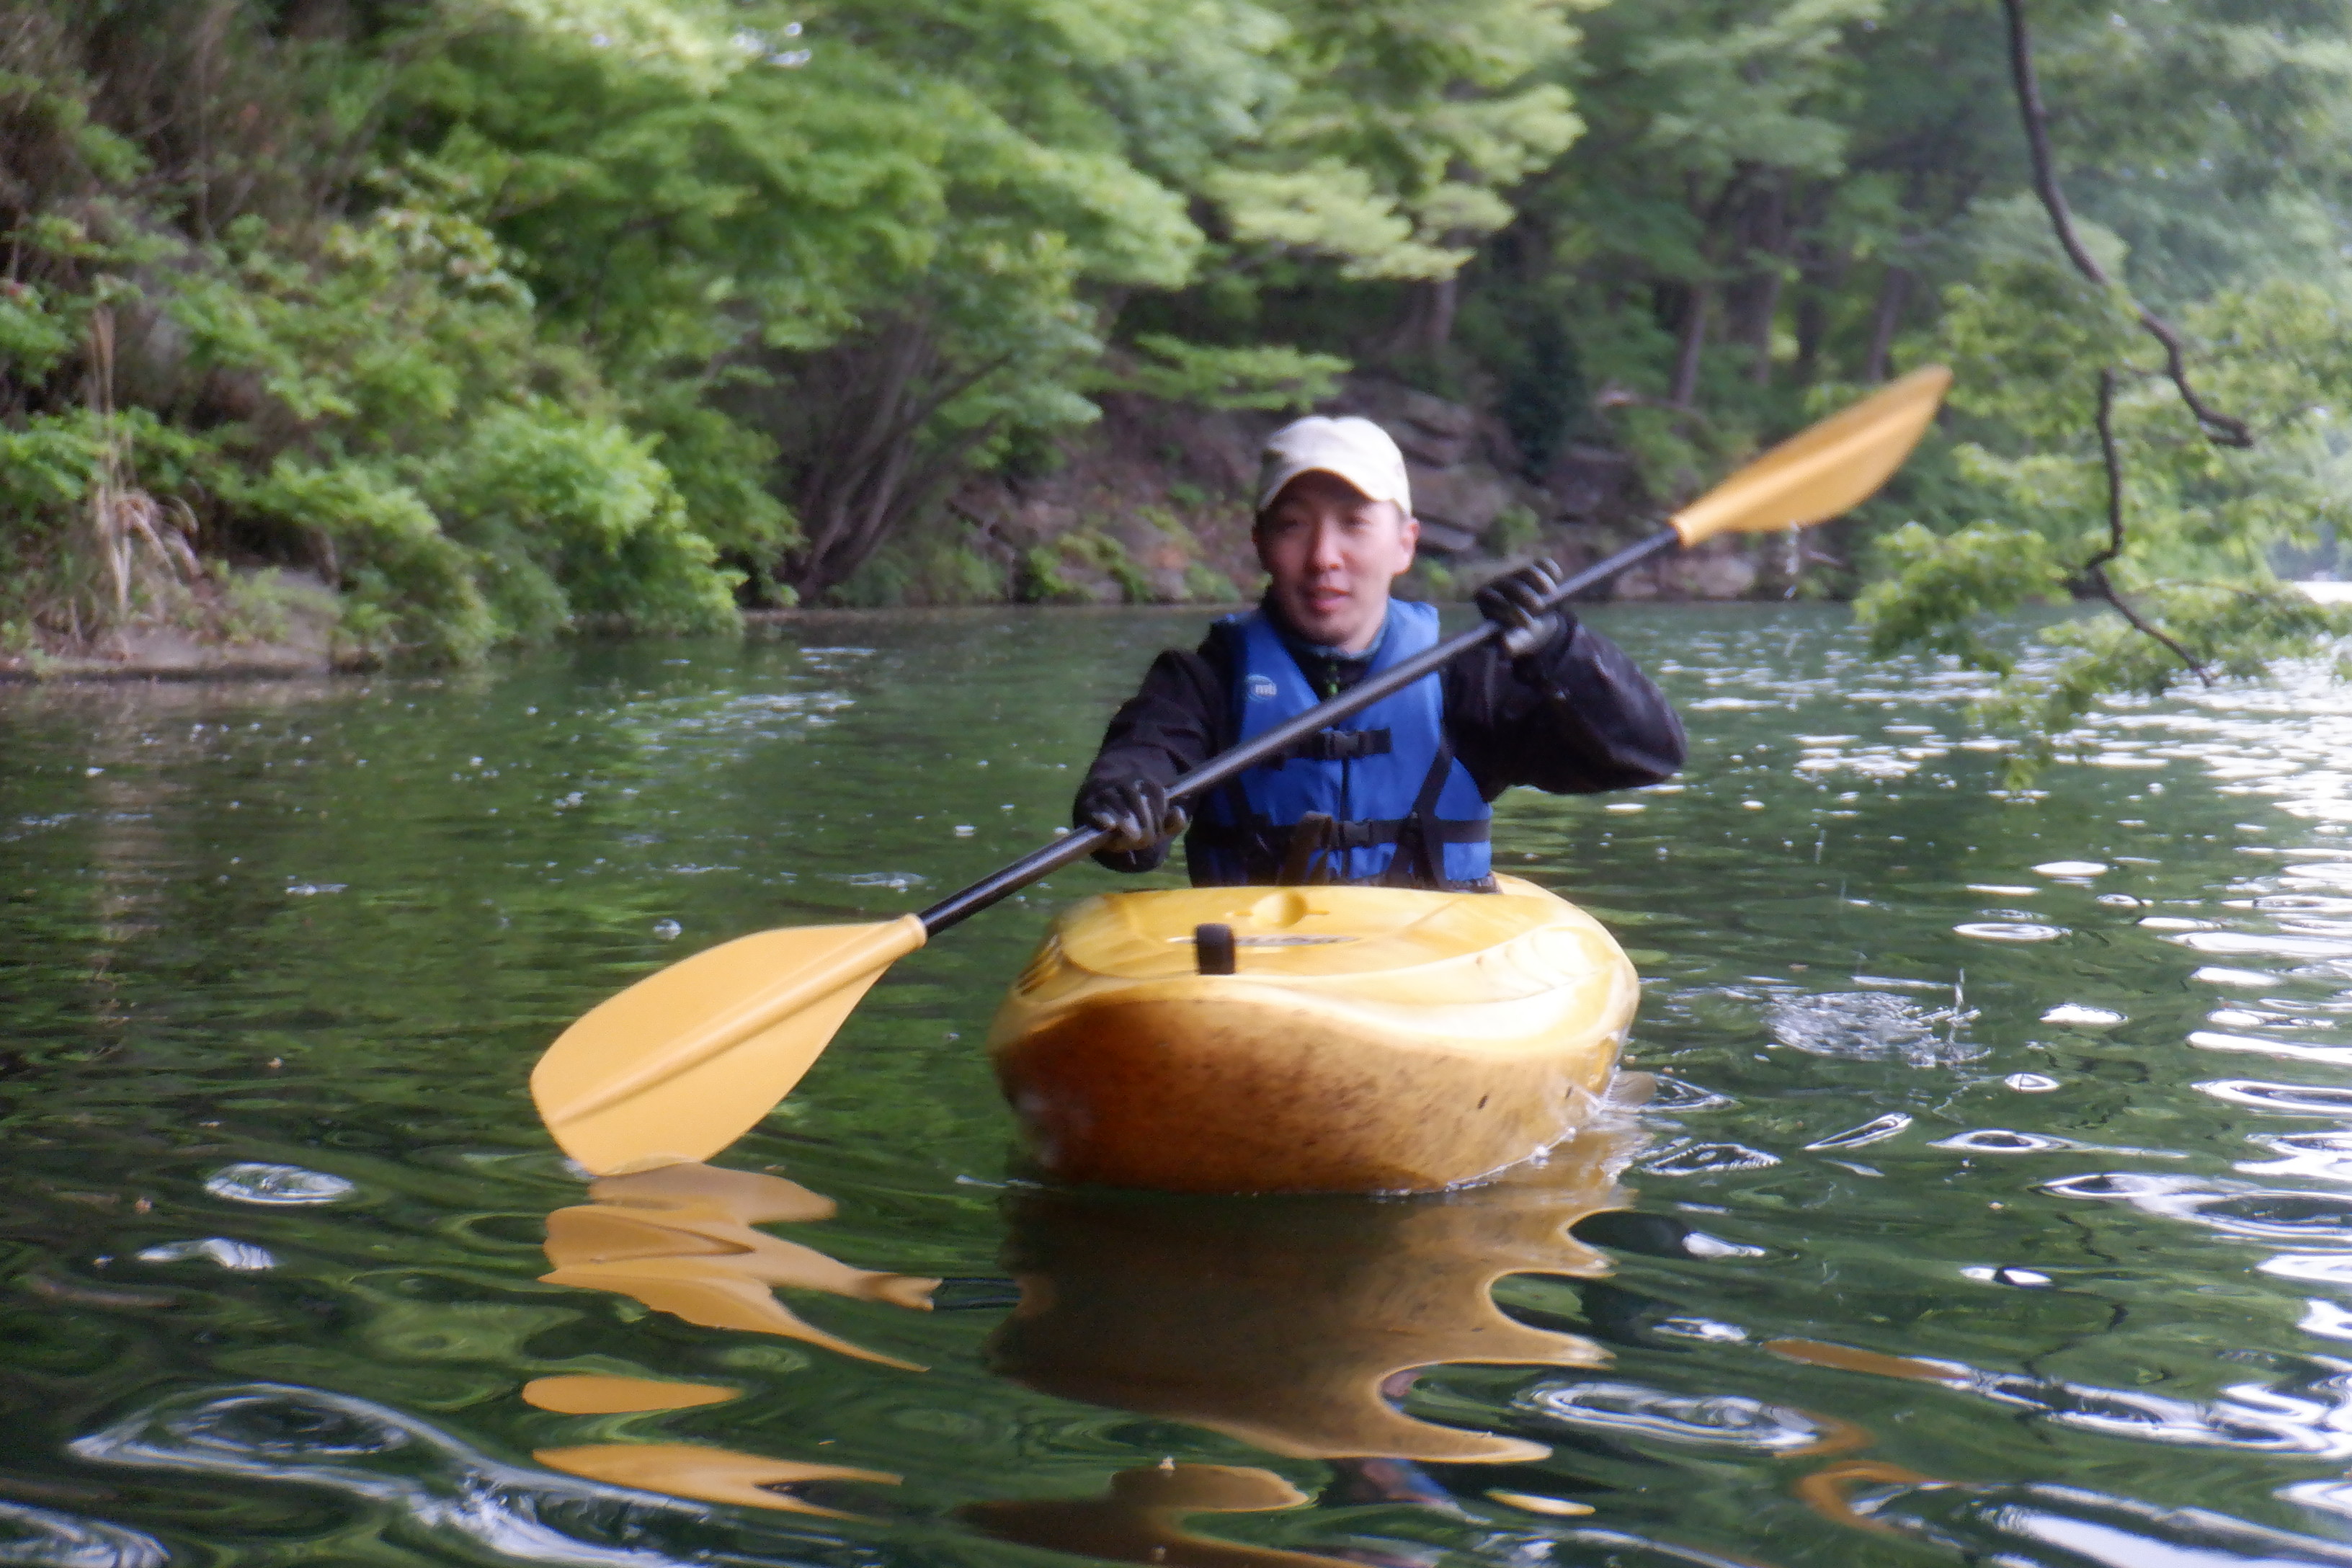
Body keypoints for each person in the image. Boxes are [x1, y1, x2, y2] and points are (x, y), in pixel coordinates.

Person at [1072, 414, 1685, 890]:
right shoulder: (1202, 681)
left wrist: (1561, 648)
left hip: (1431, 972)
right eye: (1293, 525)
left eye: (1354, 523)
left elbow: (1648, 755)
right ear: (1260, 544)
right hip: (1259, 974)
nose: (1323, 558)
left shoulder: (1468, 679)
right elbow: (1141, 775)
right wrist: (1126, 801)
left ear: (1405, 543)